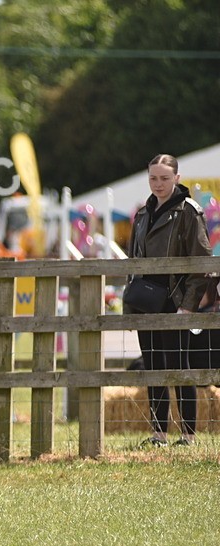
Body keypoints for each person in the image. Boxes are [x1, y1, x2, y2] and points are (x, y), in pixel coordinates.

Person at [124, 154, 213, 447]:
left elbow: (202, 264)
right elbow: (132, 262)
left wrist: (187, 305)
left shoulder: (189, 212)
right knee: (153, 367)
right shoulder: (141, 214)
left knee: (180, 367)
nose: (158, 184)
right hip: (145, 302)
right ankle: (159, 433)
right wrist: (130, 304)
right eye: (153, 178)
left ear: (176, 177)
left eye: (164, 178)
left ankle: (187, 434)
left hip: (175, 301)